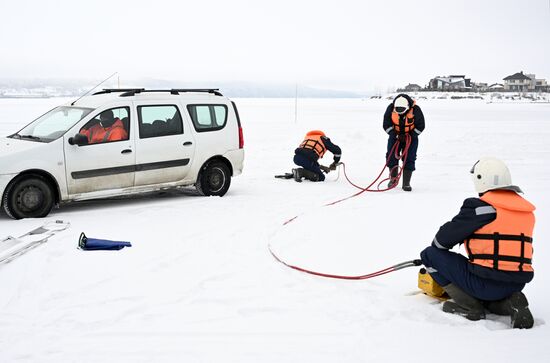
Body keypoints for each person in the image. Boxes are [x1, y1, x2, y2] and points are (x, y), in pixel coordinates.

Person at [420, 157, 535, 329]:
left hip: (484, 284)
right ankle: (511, 302)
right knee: (489, 293)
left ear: (481, 179)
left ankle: (470, 307)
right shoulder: (525, 212)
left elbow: (440, 242)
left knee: (429, 254)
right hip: (516, 283)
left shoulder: (481, 208)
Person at [383, 93, 425, 191]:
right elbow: (386, 124)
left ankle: (406, 183)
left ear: (407, 107)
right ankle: (393, 179)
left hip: (411, 138)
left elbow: (421, 126)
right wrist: (395, 134)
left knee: (409, 158)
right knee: (391, 156)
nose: (400, 113)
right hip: (395, 137)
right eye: (398, 110)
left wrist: (410, 135)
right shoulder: (390, 108)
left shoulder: (416, 110)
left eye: (402, 110)